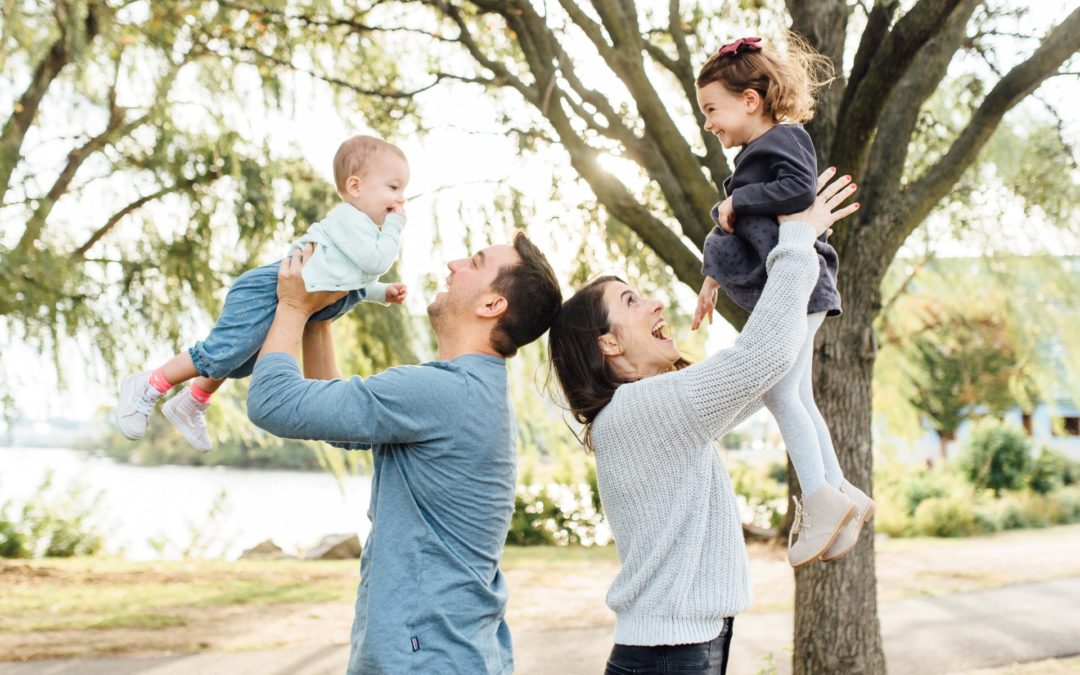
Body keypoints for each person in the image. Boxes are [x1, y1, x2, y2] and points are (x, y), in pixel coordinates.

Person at [548, 171, 858, 675]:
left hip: (677, 650)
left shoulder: (646, 412)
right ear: (608, 343)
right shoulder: (641, 410)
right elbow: (760, 358)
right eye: (631, 302)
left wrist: (809, 265)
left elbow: (769, 374)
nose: (655, 303)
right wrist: (796, 239)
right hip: (670, 656)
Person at [246, 232, 561, 674]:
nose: (453, 263)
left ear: (492, 306)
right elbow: (339, 420)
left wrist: (294, 306)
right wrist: (320, 315)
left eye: (474, 261)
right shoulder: (468, 390)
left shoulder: (442, 392)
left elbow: (273, 403)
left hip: (425, 660)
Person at [692, 36, 873, 567]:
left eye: (712, 109)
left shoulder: (784, 139)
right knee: (794, 394)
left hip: (799, 287)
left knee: (779, 395)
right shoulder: (757, 154)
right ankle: (840, 492)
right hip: (795, 288)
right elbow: (746, 233)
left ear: (750, 100)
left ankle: (821, 498)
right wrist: (712, 277)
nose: (708, 123)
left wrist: (736, 198)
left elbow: (799, 195)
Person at [114, 135, 410, 452]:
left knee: (240, 359)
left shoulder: (363, 232)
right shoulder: (350, 220)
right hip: (267, 289)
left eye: (403, 190)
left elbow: (350, 280)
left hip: (290, 295)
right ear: (355, 186)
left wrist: (381, 293)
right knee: (223, 350)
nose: (401, 199)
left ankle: (193, 401)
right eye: (393, 188)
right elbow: (375, 261)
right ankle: (149, 384)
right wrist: (394, 227)